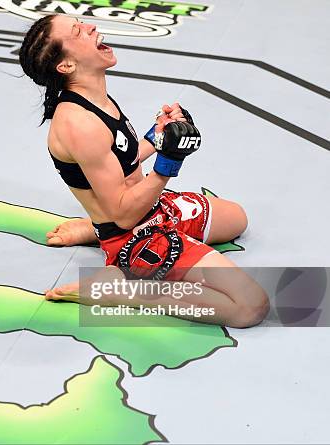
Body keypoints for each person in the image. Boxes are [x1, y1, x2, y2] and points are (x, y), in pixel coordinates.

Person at [18, 14, 269, 327]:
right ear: (66, 65)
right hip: (136, 235)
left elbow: (125, 155)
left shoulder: (93, 95)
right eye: (78, 31)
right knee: (251, 307)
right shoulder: (79, 125)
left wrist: (163, 132)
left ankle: (94, 229)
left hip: (152, 208)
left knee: (236, 218)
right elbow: (123, 214)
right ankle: (120, 290)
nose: (91, 26)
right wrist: (168, 164)